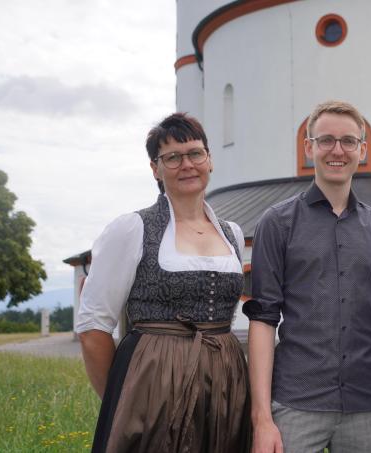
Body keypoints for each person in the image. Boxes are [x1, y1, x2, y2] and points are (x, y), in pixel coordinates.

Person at [76, 113, 251, 452]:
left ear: (210, 160)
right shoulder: (132, 228)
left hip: (225, 382)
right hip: (152, 384)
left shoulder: (232, 233)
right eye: (172, 157)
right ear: (155, 169)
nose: (186, 164)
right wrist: (124, 398)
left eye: (195, 153)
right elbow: (93, 327)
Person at [244, 100, 371, 453]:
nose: (337, 151)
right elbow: (264, 321)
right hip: (297, 403)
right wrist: (262, 418)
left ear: (362, 149)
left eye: (348, 141)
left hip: (367, 406)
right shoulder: (276, 223)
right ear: (309, 147)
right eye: (326, 140)